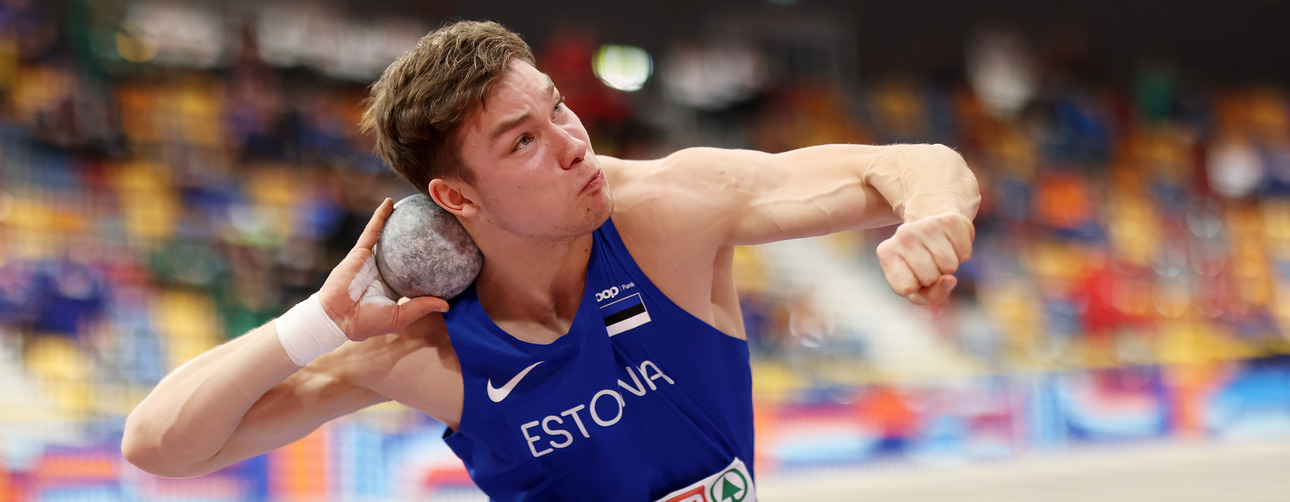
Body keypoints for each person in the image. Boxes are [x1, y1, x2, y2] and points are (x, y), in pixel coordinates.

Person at [122, 20, 979, 501]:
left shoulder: (664, 216)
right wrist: (317, 323)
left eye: (559, 108)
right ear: (457, 198)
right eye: (523, 140)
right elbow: (160, 447)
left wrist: (934, 215)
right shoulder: (424, 350)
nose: (573, 144)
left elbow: (904, 162)